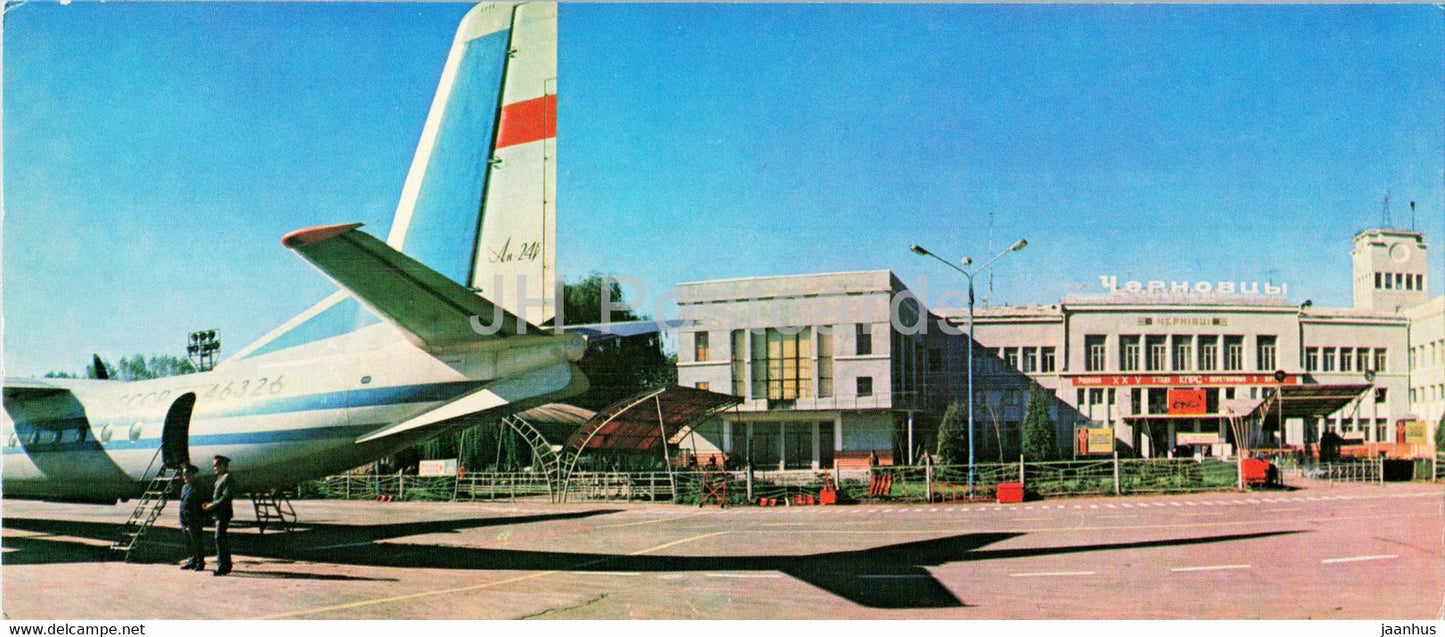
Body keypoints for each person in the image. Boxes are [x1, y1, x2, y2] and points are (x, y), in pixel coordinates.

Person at [201, 455, 234, 576]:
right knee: (221, 538)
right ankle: (226, 565)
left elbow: (226, 496)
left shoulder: (227, 478)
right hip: (219, 513)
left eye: (216, 465)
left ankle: (223, 567)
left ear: (223, 466)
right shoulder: (220, 478)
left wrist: (213, 505)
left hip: (223, 512)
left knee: (219, 538)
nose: (214, 467)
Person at [178, 463, 206, 571]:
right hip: (185, 518)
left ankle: (200, 563)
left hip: (194, 518)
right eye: (184, 475)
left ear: (193, 475)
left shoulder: (198, 487)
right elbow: (182, 502)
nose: (185, 477)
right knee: (189, 541)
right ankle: (192, 560)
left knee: (196, 541)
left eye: (187, 475)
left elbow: (201, 503)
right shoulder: (185, 487)